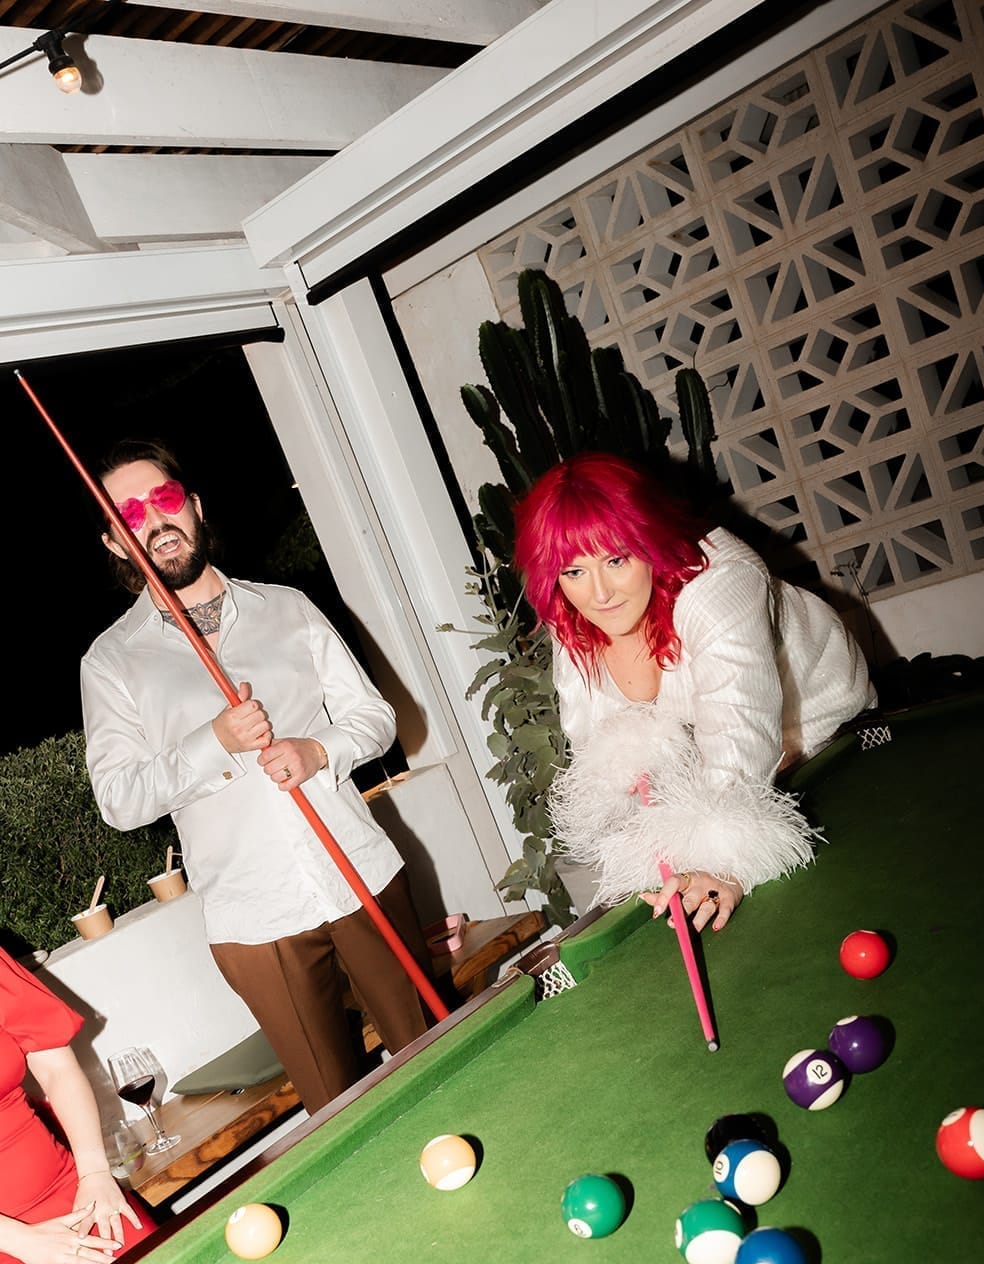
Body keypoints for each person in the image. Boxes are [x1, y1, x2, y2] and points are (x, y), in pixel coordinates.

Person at [81, 441, 430, 1117]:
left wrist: (318, 749)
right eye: (130, 514)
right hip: (255, 919)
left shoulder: (287, 607)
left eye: (163, 499)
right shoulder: (110, 663)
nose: (154, 521)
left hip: (359, 874)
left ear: (193, 505)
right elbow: (119, 800)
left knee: (436, 1050)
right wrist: (213, 741)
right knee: (338, 1114)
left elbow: (375, 718)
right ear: (116, 543)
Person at [513, 452, 875, 931]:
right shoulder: (573, 619)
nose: (599, 594)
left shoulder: (720, 583)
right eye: (573, 571)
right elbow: (599, 752)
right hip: (715, 739)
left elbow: (740, 731)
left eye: (616, 559)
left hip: (828, 721)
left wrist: (724, 864)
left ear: (648, 540)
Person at [1, 946, 149, 1264]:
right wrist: (19, 1240)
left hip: (72, 1188)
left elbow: (56, 1067)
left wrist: (95, 1173)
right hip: (5, 1246)